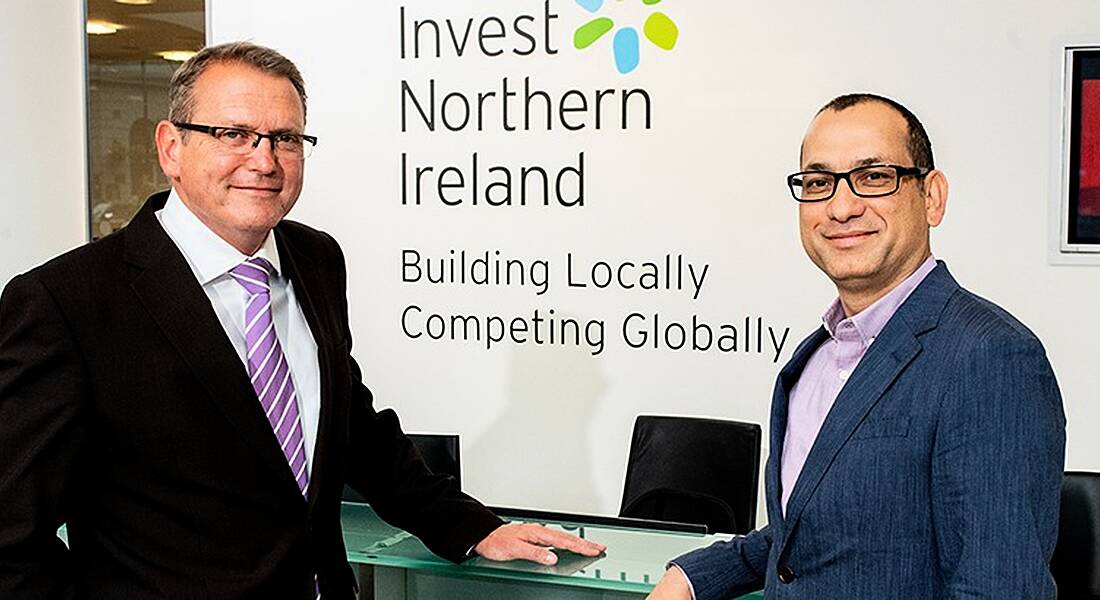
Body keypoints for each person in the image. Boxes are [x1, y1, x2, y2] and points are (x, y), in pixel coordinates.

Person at [0, 42, 603, 599]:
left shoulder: (315, 258)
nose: (264, 160)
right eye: (234, 133)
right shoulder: (64, 302)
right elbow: (10, 533)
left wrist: (469, 527)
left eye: (285, 138)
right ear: (171, 148)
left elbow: (351, 426)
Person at [648, 94, 1066, 599]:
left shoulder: (990, 357)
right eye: (819, 183)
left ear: (931, 197)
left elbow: (999, 590)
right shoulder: (815, 358)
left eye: (873, 177)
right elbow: (812, 537)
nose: (841, 207)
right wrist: (694, 577)